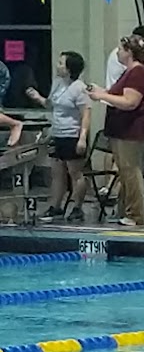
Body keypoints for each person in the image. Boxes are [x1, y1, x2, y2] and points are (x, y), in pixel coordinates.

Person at [87, 35, 144, 227]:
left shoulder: (138, 72)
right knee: (125, 171)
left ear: (129, 52)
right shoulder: (129, 72)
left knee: (130, 170)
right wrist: (102, 91)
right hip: (122, 127)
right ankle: (126, 210)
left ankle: (136, 214)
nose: (117, 52)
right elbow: (119, 95)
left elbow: (130, 102)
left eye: (120, 49)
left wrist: (101, 96)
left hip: (131, 127)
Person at [26, 52, 91, 223]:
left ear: (69, 69)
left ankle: (77, 208)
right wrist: (37, 97)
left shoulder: (79, 88)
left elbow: (86, 114)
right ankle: (55, 207)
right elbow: (51, 105)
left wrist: (82, 137)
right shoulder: (57, 84)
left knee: (75, 173)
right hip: (57, 134)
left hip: (72, 134)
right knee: (57, 173)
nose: (57, 65)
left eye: (61, 63)